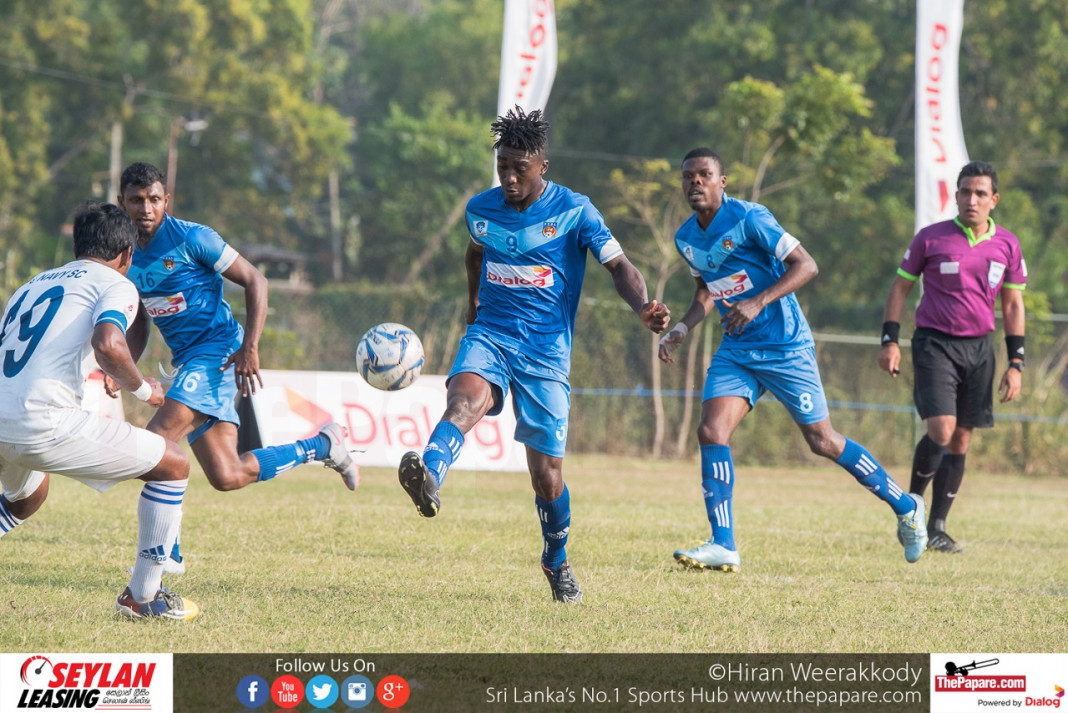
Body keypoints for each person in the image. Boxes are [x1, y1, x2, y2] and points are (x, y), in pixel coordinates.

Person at [396, 107, 670, 603]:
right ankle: (430, 474)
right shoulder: (481, 208)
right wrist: (472, 301)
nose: (509, 176)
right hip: (492, 334)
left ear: (543, 165)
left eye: (519, 167)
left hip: (546, 353)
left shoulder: (576, 210)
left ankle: (556, 559)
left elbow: (620, 266)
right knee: (464, 399)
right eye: (502, 165)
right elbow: (475, 251)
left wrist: (644, 307)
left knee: (547, 477)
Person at [659, 147, 928, 572]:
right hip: (738, 350)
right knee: (711, 431)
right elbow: (706, 292)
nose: (695, 182)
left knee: (822, 441)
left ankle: (905, 505)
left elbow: (807, 265)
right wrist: (681, 328)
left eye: (704, 174)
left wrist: (758, 301)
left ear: (722, 181)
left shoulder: (751, 218)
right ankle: (723, 543)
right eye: (688, 175)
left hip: (786, 347)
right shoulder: (685, 238)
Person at [114, 162, 358, 573]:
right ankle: (321, 445)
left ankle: (165, 550)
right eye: (136, 200)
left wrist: (250, 347)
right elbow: (140, 321)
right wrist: (122, 370)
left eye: (153, 199)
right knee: (227, 474)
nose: (145, 208)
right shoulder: (125, 255)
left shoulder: (193, 238)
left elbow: (256, 280)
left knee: (155, 442)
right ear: (122, 201)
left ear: (166, 200)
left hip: (218, 353)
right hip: (188, 362)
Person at [0, 203, 197, 620]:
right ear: (127, 254)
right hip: (42, 421)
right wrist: (144, 389)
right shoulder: (114, 282)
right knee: (174, 464)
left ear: (78, 246)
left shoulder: (32, 283)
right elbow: (108, 343)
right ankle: (142, 598)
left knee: (28, 497)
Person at [878, 160, 1026, 554]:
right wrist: (889, 341)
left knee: (961, 437)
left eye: (980, 193)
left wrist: (1016, 363)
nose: (971, 199)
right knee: (941, 430)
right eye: (964, 191)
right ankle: (909, 509)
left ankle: (938, 527)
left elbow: (1012, 305)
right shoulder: (931, 238)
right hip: (934, 343)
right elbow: (899, 289)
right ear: (955, 195)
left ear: (994, 200)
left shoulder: (1007, 244)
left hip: (980, 348)